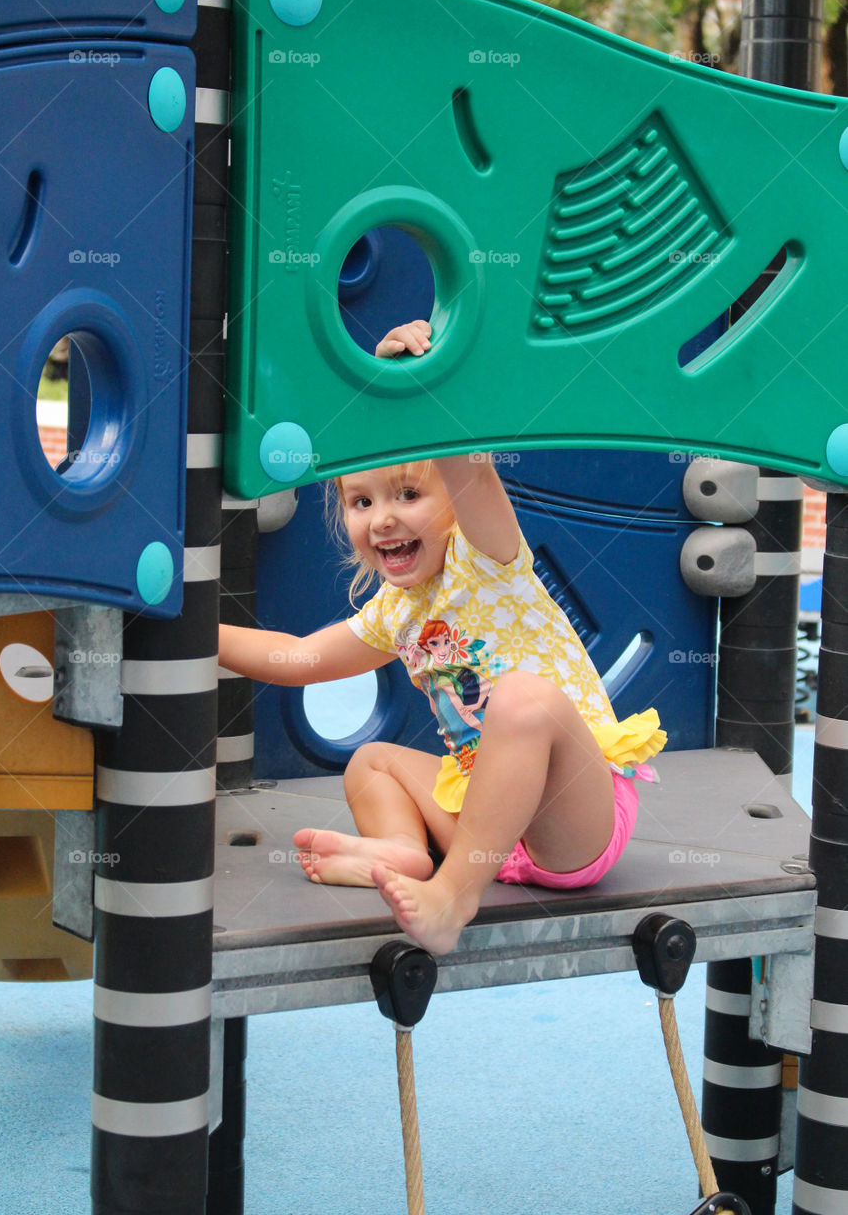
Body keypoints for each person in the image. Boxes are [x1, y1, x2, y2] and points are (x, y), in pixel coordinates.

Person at [218, 319, 666, 954]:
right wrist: (196, 635)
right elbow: (296, 657)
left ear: (452, 506)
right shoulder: (397, 611)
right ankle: (404, 854)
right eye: (361, 502)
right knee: (373, 763)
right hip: (488, 831)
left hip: (574, 824)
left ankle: (453, 895)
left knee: (523, 700)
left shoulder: (484, 559)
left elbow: (475, 476)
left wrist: (420, 386)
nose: (384, 519)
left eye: (407, 494)